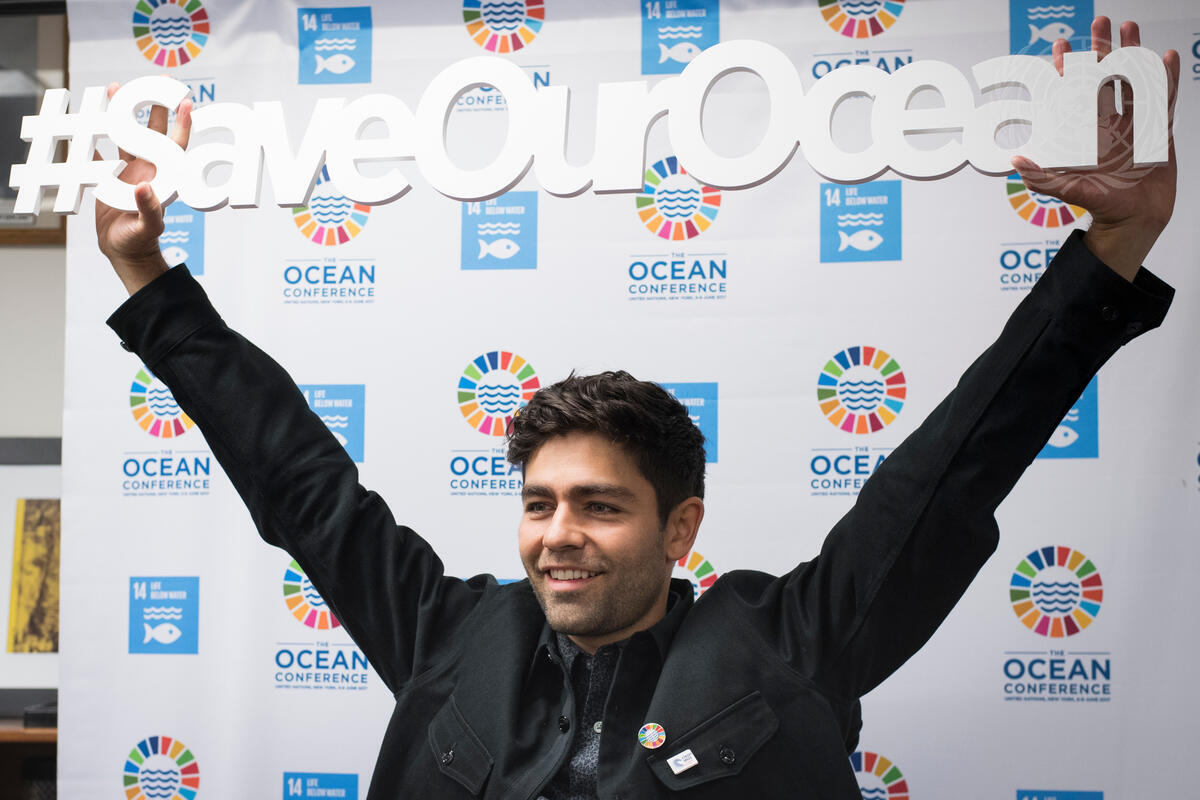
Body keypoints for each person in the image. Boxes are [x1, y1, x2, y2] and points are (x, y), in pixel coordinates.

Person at [95, 18, 1179, 800]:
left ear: (681, 526)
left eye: (601, 505)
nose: (558, 533)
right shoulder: (448, 634)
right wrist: (147, 275)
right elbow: (300, 480)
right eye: (540, 502)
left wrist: (1111, 251)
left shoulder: (788, 642)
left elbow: (950, 473)